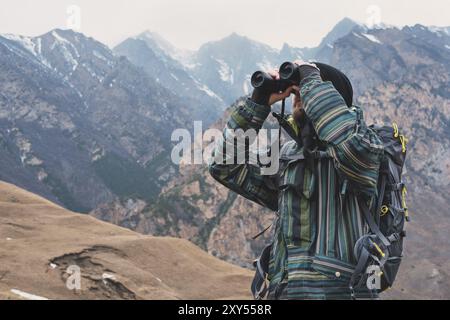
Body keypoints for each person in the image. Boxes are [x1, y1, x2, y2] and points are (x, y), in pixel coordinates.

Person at [208, 60, 384, 300]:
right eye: (296, 93)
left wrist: (311, 79)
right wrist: (257, 103)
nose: (298, 99)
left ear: (331, 97)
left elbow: (349, 145)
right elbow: (225, 166)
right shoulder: (289, 157)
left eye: (306, 92)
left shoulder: (365, 150)